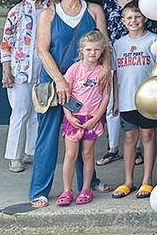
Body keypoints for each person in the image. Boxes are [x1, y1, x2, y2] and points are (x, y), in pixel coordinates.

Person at [29, 0, 109, 208]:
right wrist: (60, 81)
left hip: (85, 85)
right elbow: (42, 50)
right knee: (49, 135)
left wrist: (105, 68)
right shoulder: (49, 14)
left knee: (83, 132)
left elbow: (104, 46)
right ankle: (39, 191)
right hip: (55, 84)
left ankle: (88, 182)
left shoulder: (94, 11)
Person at [97, 0, 156, 167]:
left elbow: (153, 26)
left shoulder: (144, 3)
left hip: (141, 53)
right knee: (114, 104)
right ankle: (113, 148)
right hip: (117, 53)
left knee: (139, 102)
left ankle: (138, 149)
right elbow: (103, 30)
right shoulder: (109, 5)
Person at [0, 0, 50, 172]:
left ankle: (32, 152)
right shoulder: (17, 10)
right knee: (20, 112)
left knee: (38, 111)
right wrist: (6, 69)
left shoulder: (52, 9)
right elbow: (6, 42)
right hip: (20, 69)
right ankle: (14, 156)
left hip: (44, 68)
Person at [109, 3, 157, 200]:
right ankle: (128, 181)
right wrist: (115, 100)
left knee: (147, 136)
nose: (134, 21)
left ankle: (147, 180)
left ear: (145, 18)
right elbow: (114, 74)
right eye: (129, 18)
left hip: (147, 100)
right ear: (123, 21)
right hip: (126, 98)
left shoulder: (153, 41)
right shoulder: (118, 44)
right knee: (129, 138)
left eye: (137, 17)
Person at [57, 29, 110, 206]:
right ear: (82, 50)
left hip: (92, 118)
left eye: (96, 50)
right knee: (70, 154)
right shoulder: (74, 69)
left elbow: (106, 97)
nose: (92, 53)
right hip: (73, 118)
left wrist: (96, 118)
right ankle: (66, 190)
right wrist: (68, 115)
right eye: (88, 50)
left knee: (87, 154)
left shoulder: (103, 72)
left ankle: (86, 188)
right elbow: (66, 94)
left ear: (102, 50)